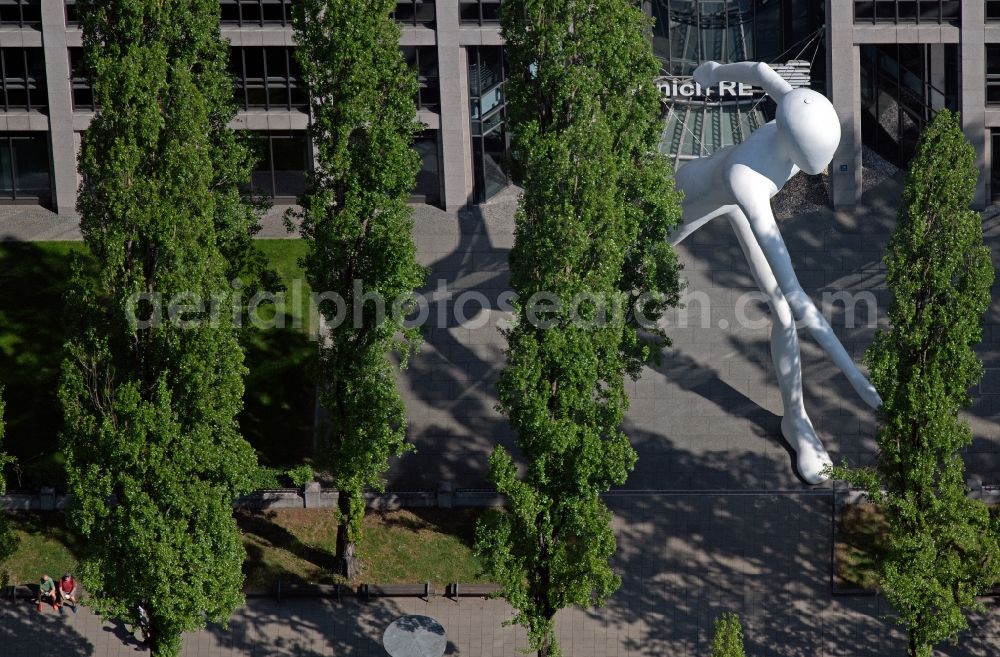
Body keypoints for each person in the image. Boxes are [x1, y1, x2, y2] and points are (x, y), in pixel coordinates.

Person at [668, 60, 881, 484]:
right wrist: (857, 380)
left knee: (782, 316)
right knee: (630, 262)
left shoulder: (793, 105)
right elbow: (799, 294)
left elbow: (762, 71)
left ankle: (795, 420)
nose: (818, 171)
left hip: (728, 190)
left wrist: (712, 71)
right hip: (689, 201)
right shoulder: (749, 181)